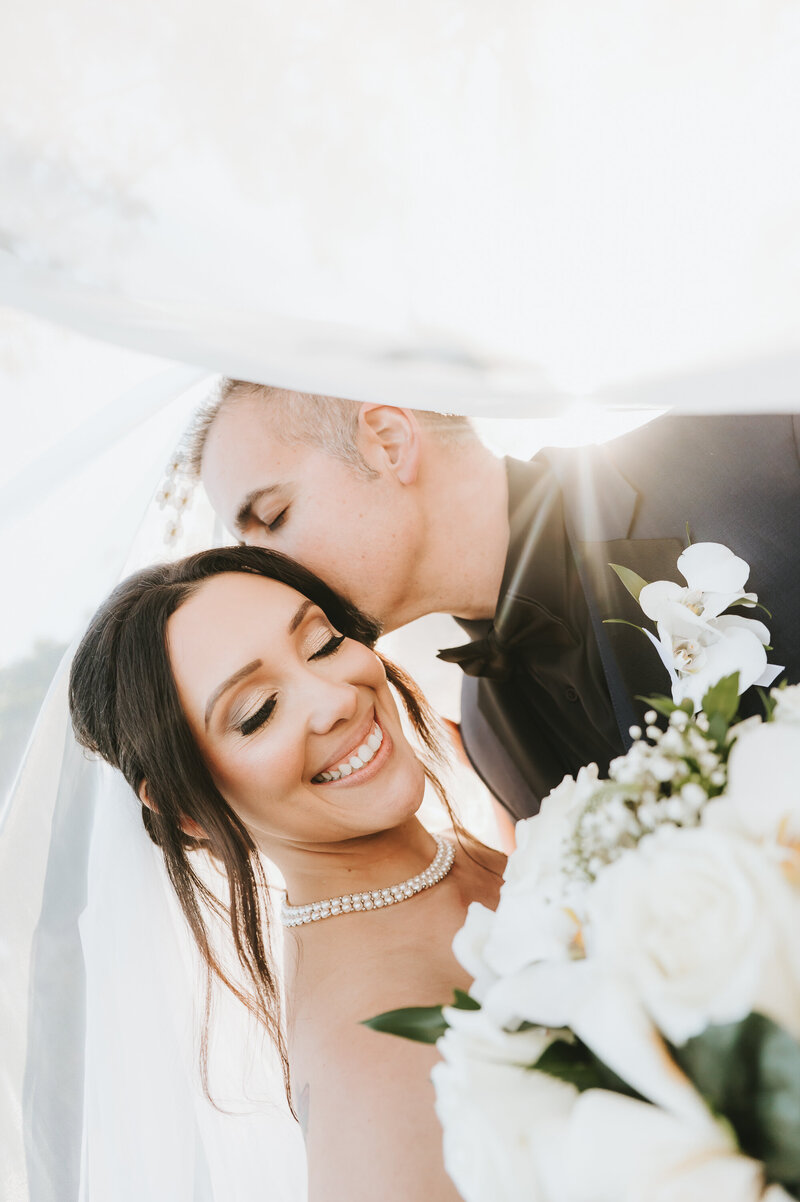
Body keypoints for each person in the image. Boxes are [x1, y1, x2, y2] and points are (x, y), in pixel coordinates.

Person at [68, 545, 504, 1202]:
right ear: (187, 811)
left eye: (324, 644)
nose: (335, 701)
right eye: (258, 712)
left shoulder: (501, 825)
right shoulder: (374, 1063)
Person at [191, 381, 800, 819]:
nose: (264, 570)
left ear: (388, 440)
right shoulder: (487, 740)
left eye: (272, 517)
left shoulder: (767, 450)